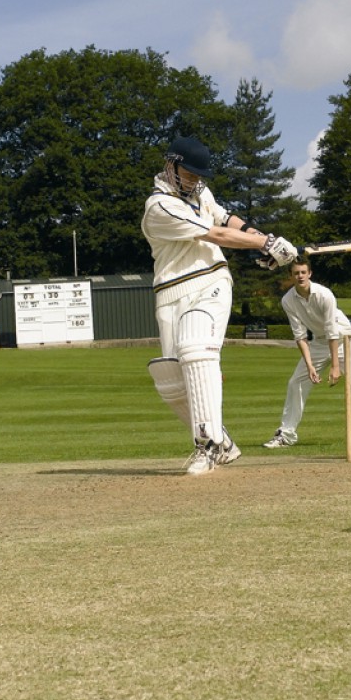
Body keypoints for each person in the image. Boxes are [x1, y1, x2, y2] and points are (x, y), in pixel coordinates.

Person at [142, 134, 298, 475]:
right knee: (171, 382)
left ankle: (208, 445)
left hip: (210, 280)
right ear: (171, 166)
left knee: (195, 348)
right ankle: (223, 443)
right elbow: (215, 234)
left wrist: (263, 241)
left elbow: (226, 220)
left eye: (199, 176)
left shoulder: (201, 193)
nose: (194, 181)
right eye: (189, 174)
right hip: (169, 293)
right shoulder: (160, 207)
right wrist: (266, 244)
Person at [263, 258, 351, 449]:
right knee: (296, 382)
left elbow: (332, 331)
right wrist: (310, 366)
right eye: (296, 273)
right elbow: (300, 335)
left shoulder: (324, 295)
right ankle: (286, 434)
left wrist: (335, 367)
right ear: (291, 276)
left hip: (343, 338)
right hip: (319, 342)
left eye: (303, 272)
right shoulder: (288, 300)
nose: (300, 276)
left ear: (309, 274)